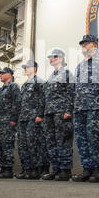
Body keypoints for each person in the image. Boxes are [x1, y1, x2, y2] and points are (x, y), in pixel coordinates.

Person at [72, 35, 99, 183]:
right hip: (80, 108)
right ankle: (87, 169)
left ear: (95, 45)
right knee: (82, 140)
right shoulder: (79, 66)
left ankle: (97, 170)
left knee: (94, 138)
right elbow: (76, 89)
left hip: (95, 107)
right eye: (82, 44)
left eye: (87, 43)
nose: (84, 46)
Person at [41, 49, 75, 181]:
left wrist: (68, 110)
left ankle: (65, 170)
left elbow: (72, 93)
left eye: (54, 57)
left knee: (63, 141)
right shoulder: (50, 77)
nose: (51, 59)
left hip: (61, 112)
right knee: (51, 141)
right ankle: (55, 169)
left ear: (60, 58)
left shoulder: (66, 74)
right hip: (49, 113)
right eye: (50, 57)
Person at [16, 61, 48, 180]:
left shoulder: (39, 82)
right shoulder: (24, 85)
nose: (25, 69)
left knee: (34, 144)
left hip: (33, 118)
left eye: (27, 67)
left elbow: (43, 99)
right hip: (23, 118)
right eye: (25, 67)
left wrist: (40, 115)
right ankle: (27, 169)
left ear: (34, 69)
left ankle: (36, 170)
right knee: (23, 145)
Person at [0, 67, 21, 179]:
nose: (0, 75)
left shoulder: (13, 86)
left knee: (7, 144)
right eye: (0, 74)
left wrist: (14, 119)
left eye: (2, 73)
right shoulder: (0, 90)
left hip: (8, 122)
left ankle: (8, 169)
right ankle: (3, 167)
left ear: (9, 74)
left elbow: (17, 102)